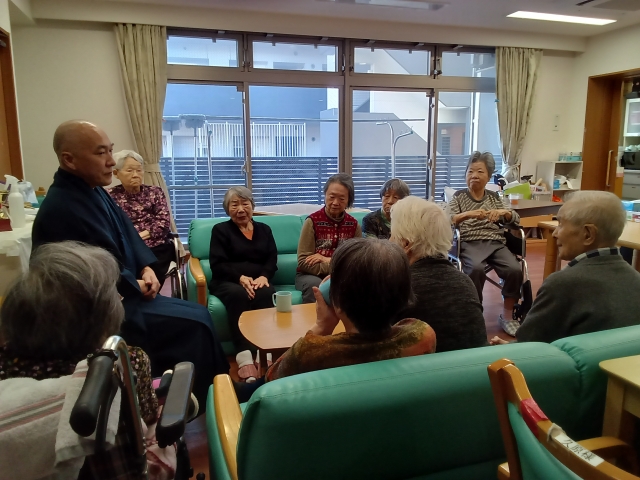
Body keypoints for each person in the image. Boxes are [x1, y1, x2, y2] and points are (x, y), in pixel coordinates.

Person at [31, 120, 229, 409]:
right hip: (101, 311)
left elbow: (127, 235)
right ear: (69, 159)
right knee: (194, 325)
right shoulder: (61, 206)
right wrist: (132, 283)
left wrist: (146, 267)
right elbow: (89, 269)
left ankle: (218, 390)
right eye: (101, 153)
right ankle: (204, 400)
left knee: (199, 314)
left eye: (110, 151)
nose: (111, 161)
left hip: (127, 288)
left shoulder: (93, 189)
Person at [0, 241, 179, 479]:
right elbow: (146, 416)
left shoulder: (6, 364)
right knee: (165, 409)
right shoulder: (123, 361)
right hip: (121, 465)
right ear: (97, 319)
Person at [266, 238, 436, 381]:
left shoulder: (309, 353)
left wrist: (322, 326)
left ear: (337, 300)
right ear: (405, 295)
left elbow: (271, 379)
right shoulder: (421, 334)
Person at [491, 191, 640, 345]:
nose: (554, 233)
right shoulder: (636, 280)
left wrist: (508, 347)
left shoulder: (562, 284)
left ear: (588, 234)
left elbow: (528, 345)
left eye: (561, 224)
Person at [390, 196, 488, 352]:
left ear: (405, 244)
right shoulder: (465, 281)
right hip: (478, 366)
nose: (389, 241)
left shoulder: (397, 286)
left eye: (392, 236)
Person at [448, 151, 522, 336]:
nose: (474, 175)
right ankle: (474, 314)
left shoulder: (494, 198)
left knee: (514, 269)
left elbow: (515, 219)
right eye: (470, 171)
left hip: (495, 242)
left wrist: (504, 214)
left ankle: (507, 316)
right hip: (470, 242)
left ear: (488, 176)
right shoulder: (458, 196)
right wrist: (468, 214)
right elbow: (447, 219)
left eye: (480, 171)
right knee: (475, 269)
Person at [209, 186, 277, 349]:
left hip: (258, 280)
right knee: (238, 294)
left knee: (266, 292)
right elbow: (217, 263)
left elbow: (271, 258)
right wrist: (240, 278)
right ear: (227, 209)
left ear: (252, 206)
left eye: (245, 204)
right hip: (227, 281)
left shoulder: (264, 229)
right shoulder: (220, 230)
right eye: (234, 205)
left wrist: (264, 277)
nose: (240, 209)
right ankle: (243, 352)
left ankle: (265, 348)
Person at [109, 150, 175, 287]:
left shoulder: (155, 192)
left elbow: (163, 223)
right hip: (126, 250)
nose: (135, 175)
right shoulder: (110, 196)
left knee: (151, 280)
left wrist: (136, 238)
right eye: (129, 170)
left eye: (139, 170)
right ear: (116, 173)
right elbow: (111, 225)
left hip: (156, 247)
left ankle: (149, 293)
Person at [296, 173, 362, 303]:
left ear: (349, 200)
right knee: (316, 286)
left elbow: (357, 261)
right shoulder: (312, 221)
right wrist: (337, 265)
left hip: (342, 275)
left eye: (342, 199)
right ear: (325, 195)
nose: (335, 203)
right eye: (332, 197)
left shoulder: (354, 225)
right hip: (310, 275)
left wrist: (326, 259)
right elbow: (303, 262)